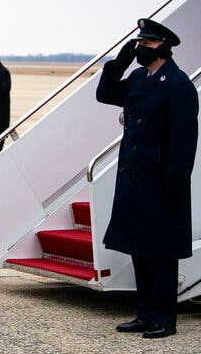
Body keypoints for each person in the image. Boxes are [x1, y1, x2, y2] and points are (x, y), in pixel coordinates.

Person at [96, 18, 198, 339]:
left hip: (162, 182)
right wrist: (123, 59)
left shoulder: (177, 84)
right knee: (139, 249)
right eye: (140, 43)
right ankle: (144, 313)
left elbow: (184, 140)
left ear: (164, 48)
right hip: (134, 178)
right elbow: (106, 93)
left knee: (162, 253)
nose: (142, 48)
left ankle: (164, 319)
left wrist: (175, 183)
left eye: (147, 44)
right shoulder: (140, 76)